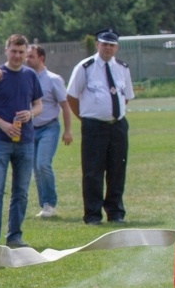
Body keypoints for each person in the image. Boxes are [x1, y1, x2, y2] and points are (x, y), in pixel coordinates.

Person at [0, 34, 43, 248]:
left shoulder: (30, 75)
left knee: (21, 192)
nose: (17, 56)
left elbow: (39, 104)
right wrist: (3, 124)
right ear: (6, 50)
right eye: (14, 51)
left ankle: (14, 236)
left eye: (22, 52)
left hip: (25, 141)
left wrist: (31, 114)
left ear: (26, 54)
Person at [66, 28, 135, 225]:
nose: (108, 48)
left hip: (118, 126)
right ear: (97, 45)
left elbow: (125, 97)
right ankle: (93, 215)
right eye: (104, 44)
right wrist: (86, 117)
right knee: (92, 172)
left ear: (117, 48)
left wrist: (112, 113)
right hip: (94, 127)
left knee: (117, 170)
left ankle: (115, 213)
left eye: (112, 45)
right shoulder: (85, 67)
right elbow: (71, 96)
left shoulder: (123, 67)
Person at [25, 44, 73, 219]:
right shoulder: (25, 77)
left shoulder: (53, 79)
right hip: (30, 129)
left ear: (41, 58)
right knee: (35, 169)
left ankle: (50, 203)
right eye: (26, 56)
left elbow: (65, 105)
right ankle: (44, 204)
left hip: (49, 127)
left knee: (43, 164)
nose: (27, 59)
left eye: (31, 56)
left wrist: (68, 130)